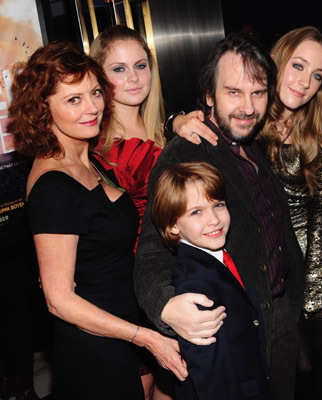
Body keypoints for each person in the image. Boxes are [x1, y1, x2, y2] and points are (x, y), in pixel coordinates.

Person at [173, 26, 322, 400]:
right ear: (276, 65)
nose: (305, 82)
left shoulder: (321, 128)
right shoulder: (249, 116)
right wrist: (175, 120)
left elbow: (320, 215)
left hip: (315, 259)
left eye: (317, 76)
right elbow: (208, 123)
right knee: (288, 367)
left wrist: (311, 289)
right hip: (262, 260)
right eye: (298, 66)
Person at [8, 40, 187, 400]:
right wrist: (145, 338)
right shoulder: (53, 186)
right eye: (73, 100)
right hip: (96, 353)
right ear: (44, 111)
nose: (91, 108)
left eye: (94, 93)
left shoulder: (86, 160)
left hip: (124, 334)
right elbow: (58, 299)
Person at [134, 32, 305, 400]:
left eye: (258, 93)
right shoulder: (188, 152)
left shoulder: (251, 143)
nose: (248, 106)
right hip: (238, 332)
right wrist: (164, 306)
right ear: (209, 96)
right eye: (234, 92)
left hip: (280, 316)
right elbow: (150, 252)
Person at [89, 25, 171, 399]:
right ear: (97, 77)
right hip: (138, 284)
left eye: (140, 65)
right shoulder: (110, 149)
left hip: (174, 273)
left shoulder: (160, 130)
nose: (134, 77)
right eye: (118, 69)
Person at [151, 161, 273, 400]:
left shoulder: (219, 259)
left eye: (218, 205)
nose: (214, 219)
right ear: (173, 226)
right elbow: (212, 376)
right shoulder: (196, 287)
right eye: (196, 212)